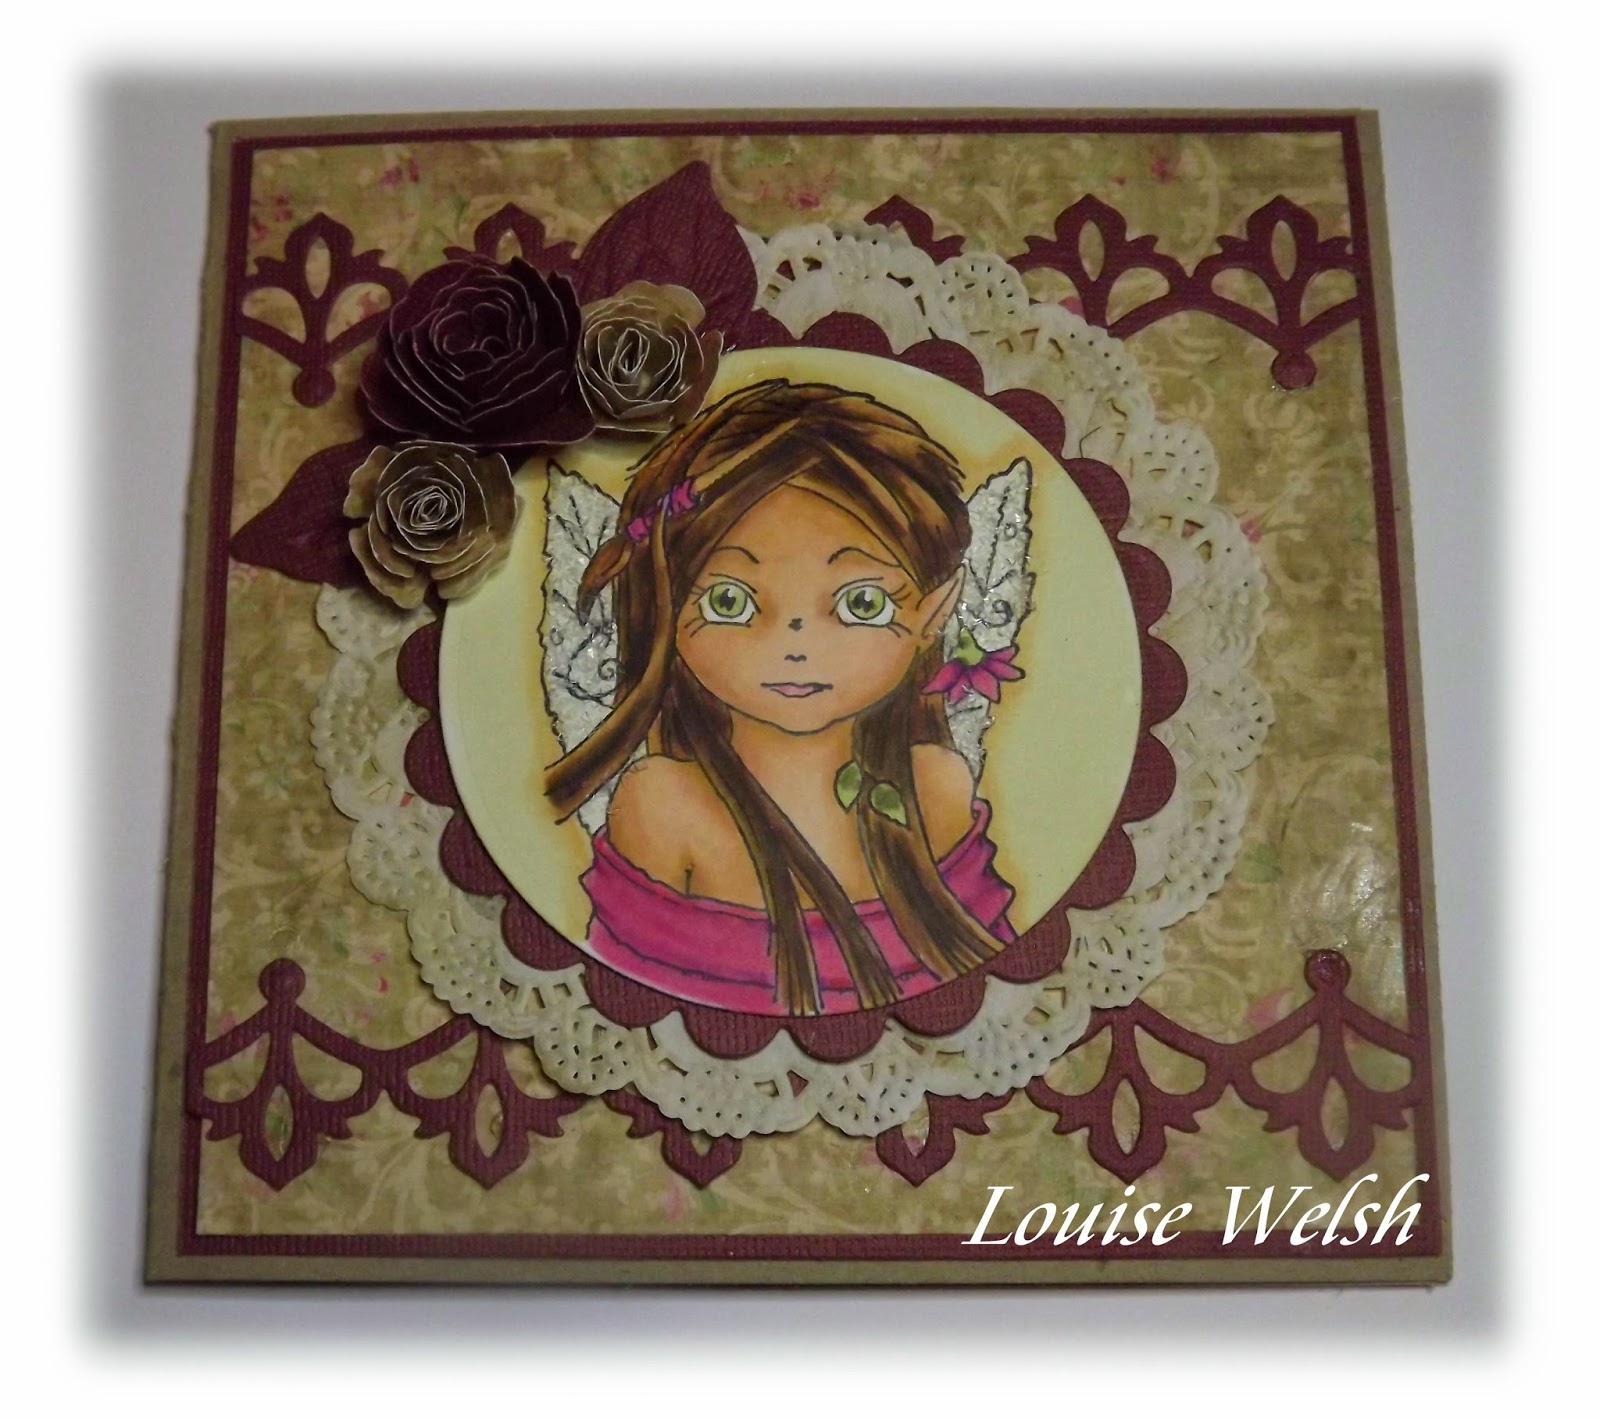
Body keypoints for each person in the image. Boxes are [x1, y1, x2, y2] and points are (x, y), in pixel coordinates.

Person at [544, 379, 1017, 1016]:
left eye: (861, 603)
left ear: (934, 612)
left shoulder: (936, 786)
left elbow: (993, 983)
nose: (795, 646)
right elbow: (627, 1010)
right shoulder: (664, 805)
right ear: (665, 606)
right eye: (730, 601)